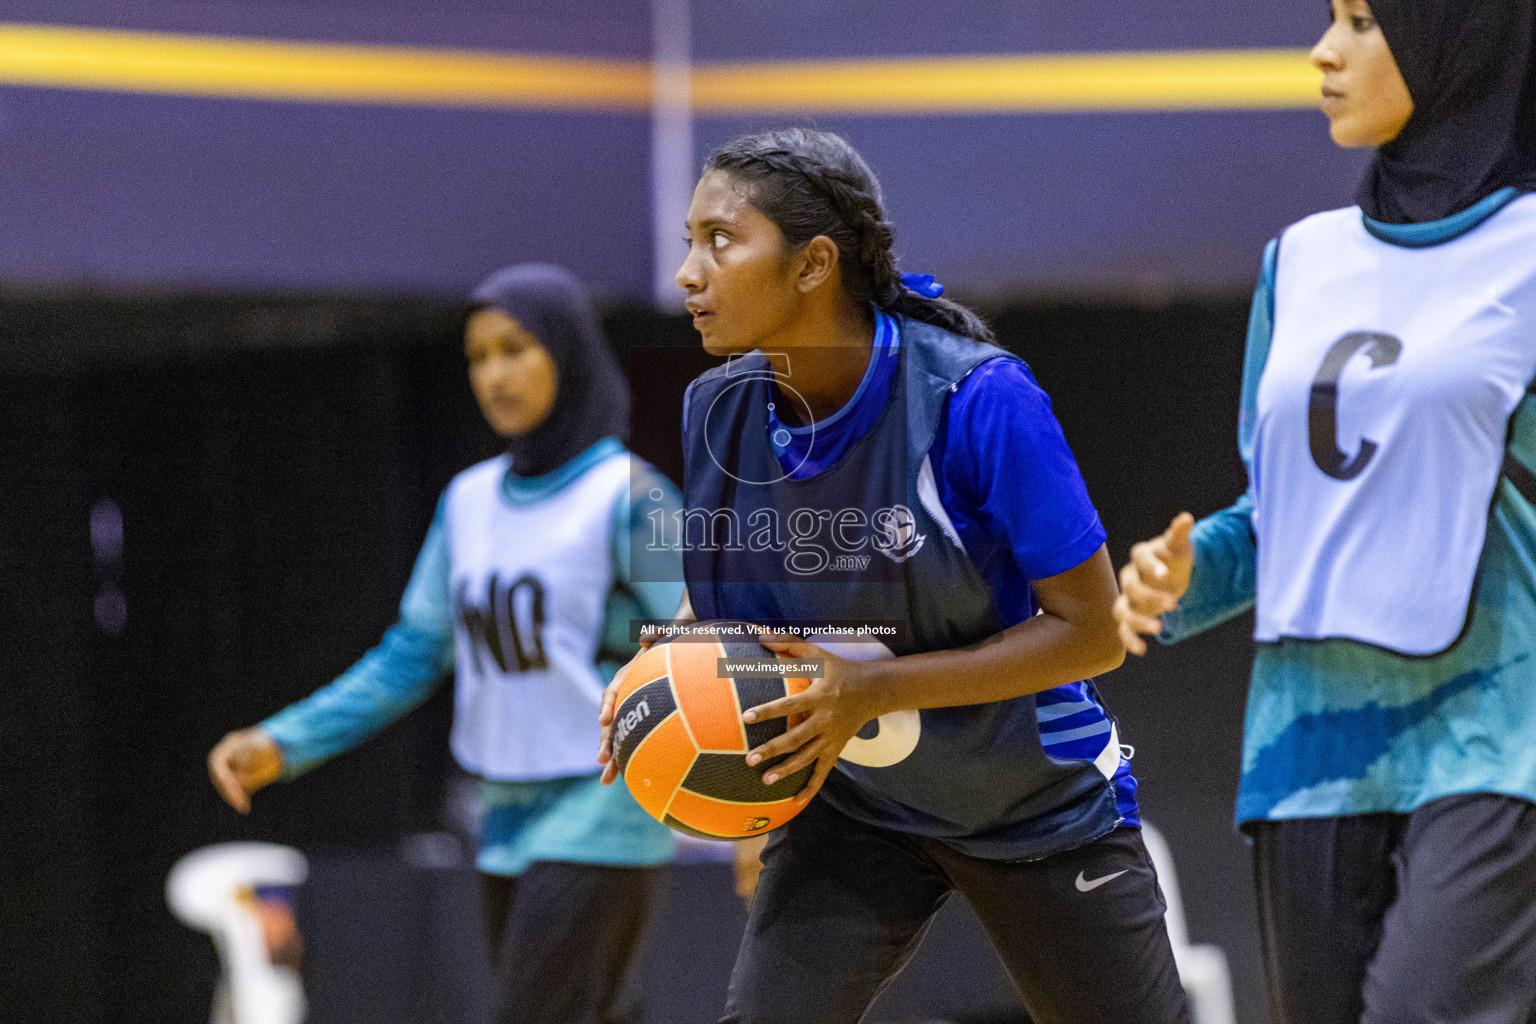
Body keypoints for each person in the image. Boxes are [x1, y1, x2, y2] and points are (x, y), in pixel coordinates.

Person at [599, 128, 1191, 1024]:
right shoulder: (712, 408)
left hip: (1028, 802)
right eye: (688, 241)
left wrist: (869, 690)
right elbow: (723, 611)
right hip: (855, 810)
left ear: (813, 265)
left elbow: (1094, 633)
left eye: (720, 241)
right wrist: (661, 677)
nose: (688, 271)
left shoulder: (980, 399)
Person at [1113, 2, 1536, 1021]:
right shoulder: (1298, 260)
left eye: (1363, 21)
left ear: (1455, 46)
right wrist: (1183, 578)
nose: (1325, 50)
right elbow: (1284, 517)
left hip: (1497, 737)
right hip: (1306, 752)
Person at [207, 264, 684, 1024]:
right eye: (478, 355)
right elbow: (410, 655)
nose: (494, 373)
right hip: (502, 817)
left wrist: (762, 818)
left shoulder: (630, 495)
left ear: (569, 353)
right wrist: (285, 741)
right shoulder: (467, 502)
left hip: (607, 807)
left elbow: (712, 646)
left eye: (516, 348)